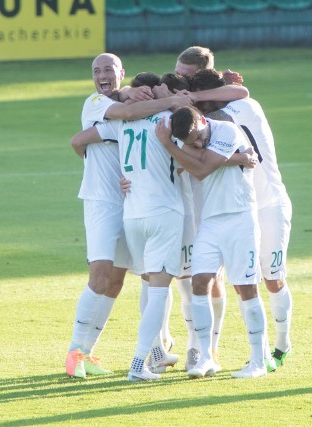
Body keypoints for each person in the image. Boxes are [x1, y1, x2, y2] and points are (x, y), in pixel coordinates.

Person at [66, 53, 192, 379]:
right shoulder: (96, 103)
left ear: (122, 73)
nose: (102, 75)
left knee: (118, 281)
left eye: (109, 70)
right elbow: (80, 139)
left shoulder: (124, 117)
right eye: (97, 70)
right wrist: (171, 101)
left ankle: (98, 353)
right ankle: (74, 352)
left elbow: (86, 139)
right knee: (100, 273)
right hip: (101, 201)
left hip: (130, 203)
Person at [190, 69, 294, 369]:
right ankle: (254, 352)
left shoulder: (238, 109)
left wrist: (188, 100)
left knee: (272, 279)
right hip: (240, 208)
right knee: (245, 282)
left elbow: (238, 95)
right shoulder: (220, 110)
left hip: (270, 203)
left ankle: (282, 343)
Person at [156, 106, 268, 379]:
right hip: (210, 221)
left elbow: (203, 168)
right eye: (190, 142)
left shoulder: (226, 130)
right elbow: (197, 163)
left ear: (204, 120)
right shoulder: (190, 142)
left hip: (240, 217)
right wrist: (237, 158)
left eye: (198, 136)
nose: (196, 143)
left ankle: (258, 361)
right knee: (199, 282)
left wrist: (169, 145)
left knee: (246, 287)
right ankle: (206, 356)